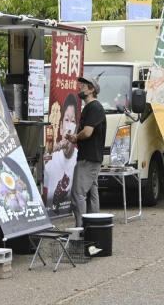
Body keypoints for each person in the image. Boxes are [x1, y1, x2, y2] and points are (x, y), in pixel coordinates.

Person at [66, 76, 107, 227]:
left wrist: (76, 137)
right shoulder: (91, 108)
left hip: (89, 159)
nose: (80, 87)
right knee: (91, 193)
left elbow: (88, 132)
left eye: (84, 85)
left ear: (92, 90)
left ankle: (81, 229)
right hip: (91, 157)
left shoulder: (94, 107)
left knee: (78, 195)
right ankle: (94, 228)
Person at [43, 93, 78, 213]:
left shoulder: (78, 157)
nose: (70, 124)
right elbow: (43, 160)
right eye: (67, 120)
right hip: (52, 211)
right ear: (61, 127)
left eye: (73, 121)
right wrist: (56, 147)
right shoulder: (53, 155)